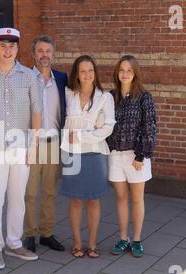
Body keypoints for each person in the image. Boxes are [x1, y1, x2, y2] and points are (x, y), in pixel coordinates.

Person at [0, 27, 42, 270]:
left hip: (21, 146)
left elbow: (37, 111)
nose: (7, 50)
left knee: (17, 198)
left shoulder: (29, 76)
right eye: (2, 45)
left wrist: (34, 145)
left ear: (17, 48)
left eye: (12, 45)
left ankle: (13, 242)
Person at [59, 55, 115, 258]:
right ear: (77, 74)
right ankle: (77, 243)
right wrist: (90, 129)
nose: (87, 74)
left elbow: (108, 127)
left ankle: (92, 244)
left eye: (90, 70)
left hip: (95, 153)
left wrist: (83, 135)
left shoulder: (105, 97)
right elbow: (64, 124)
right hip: (71, 153)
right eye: (82, 71)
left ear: (95, 72)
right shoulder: (67, 94)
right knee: (75, 200)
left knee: (93, 200)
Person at [107, 55, 157, 258]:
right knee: (120, 197)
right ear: (117, 73)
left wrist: (141, 154)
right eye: (121, 70)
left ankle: (136, 240)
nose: (124, 74)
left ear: (135, 73)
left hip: (136, 157)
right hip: (115, 155)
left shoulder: (144, 97)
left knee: (137, 198)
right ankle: (123, 238)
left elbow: (150, 127)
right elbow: (105, 125)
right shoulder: (111, 96)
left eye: (129, 70)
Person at [24, 35, 67, 253]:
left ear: (53, 54)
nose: (44, 55)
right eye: (40, 51)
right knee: (30, 192)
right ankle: (30, 234)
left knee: (50, 191)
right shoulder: (24, 77)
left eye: (48, 51)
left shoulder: (61, 78)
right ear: (33, 54)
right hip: (31, 143)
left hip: (54, 143)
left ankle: (47, 233)